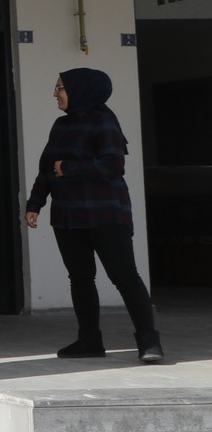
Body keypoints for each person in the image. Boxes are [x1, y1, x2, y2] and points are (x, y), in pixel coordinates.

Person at [25, 68, 163, 363]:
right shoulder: (60, 126)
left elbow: (113, 165)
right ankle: (89, 340)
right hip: (68, 216)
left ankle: (149, 342)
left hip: (105, 214)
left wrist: (69, 168)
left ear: (81, 90)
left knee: (124, 276)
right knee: (80, 278)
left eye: (60, 87)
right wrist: (35, 203)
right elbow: (47, 168)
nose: (55, 94)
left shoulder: (103, 121)